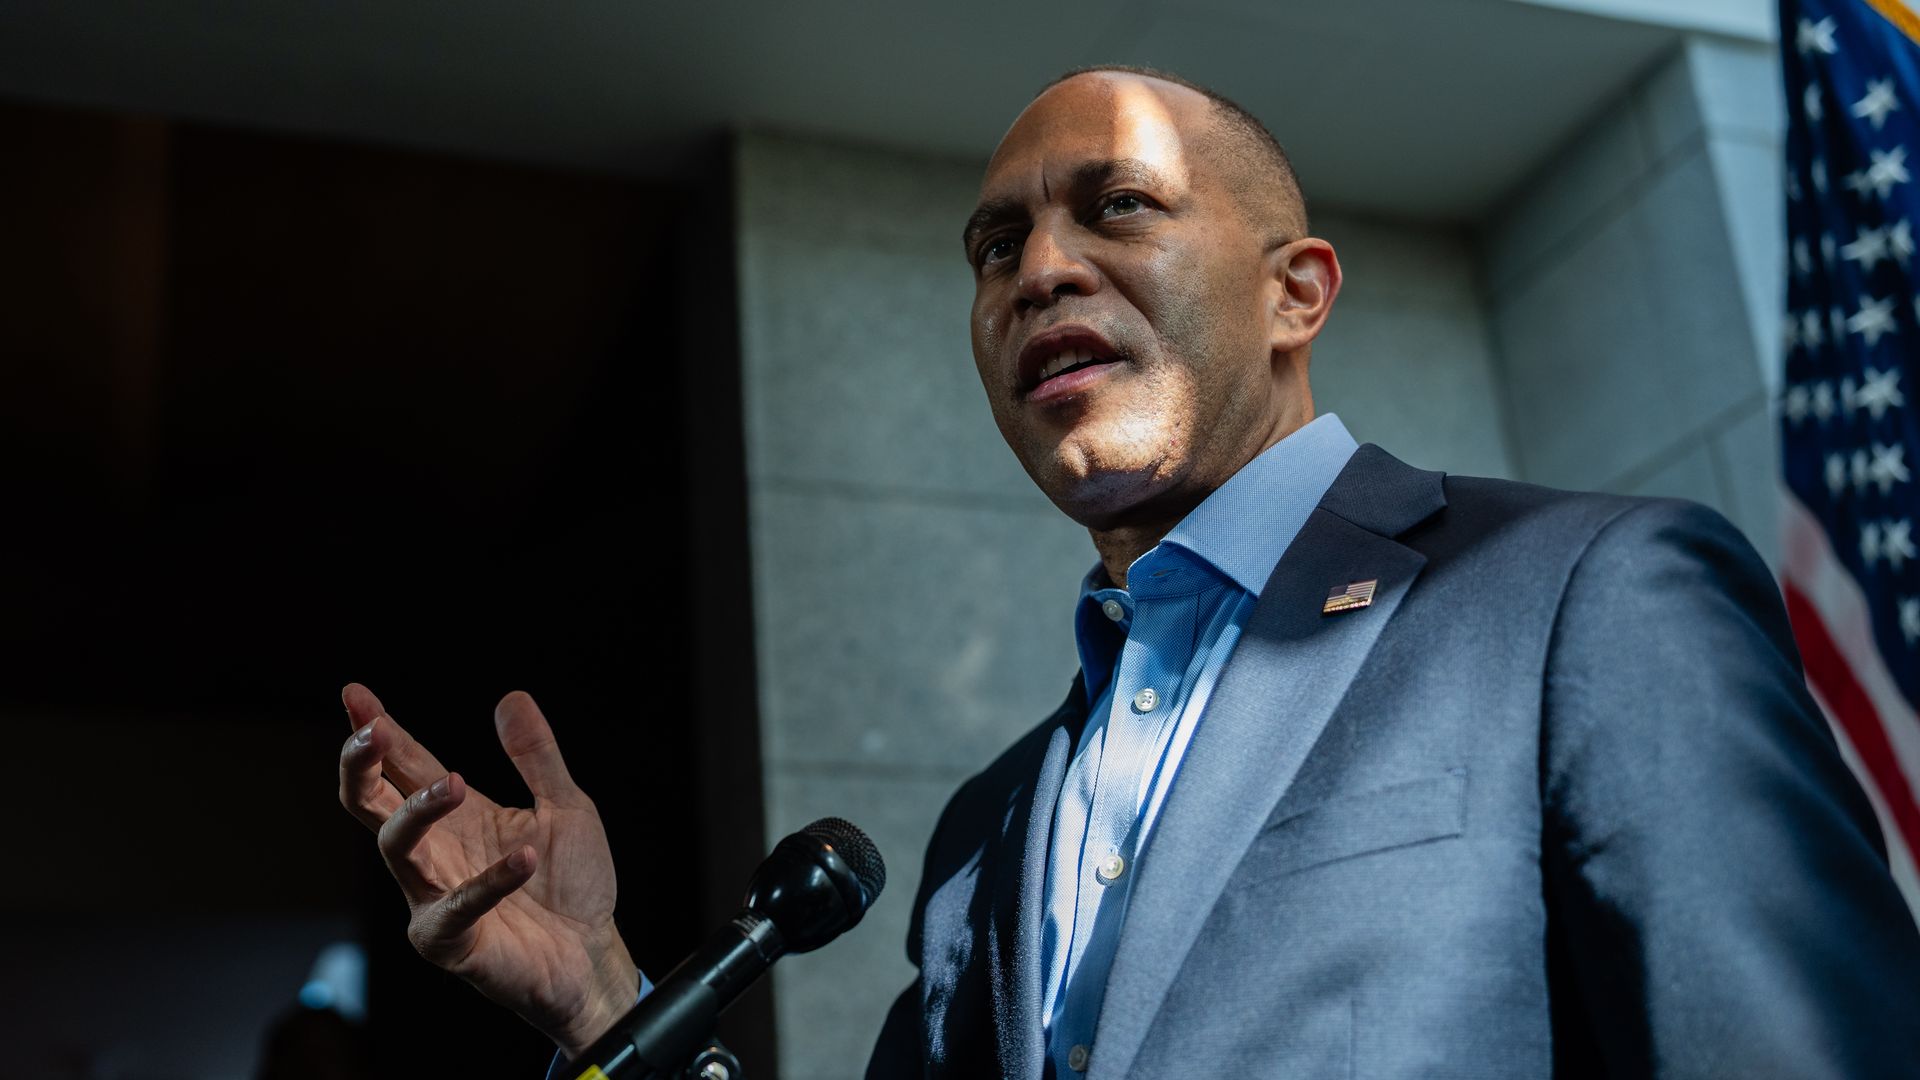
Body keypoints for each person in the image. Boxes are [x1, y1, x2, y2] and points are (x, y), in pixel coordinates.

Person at [337, 66, 1920, 1078]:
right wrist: (607, 998)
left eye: (1118, 209)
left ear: (1297, 292)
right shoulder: (987, 836)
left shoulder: (1592, 595)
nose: (1040, 271)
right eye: (993, 249)